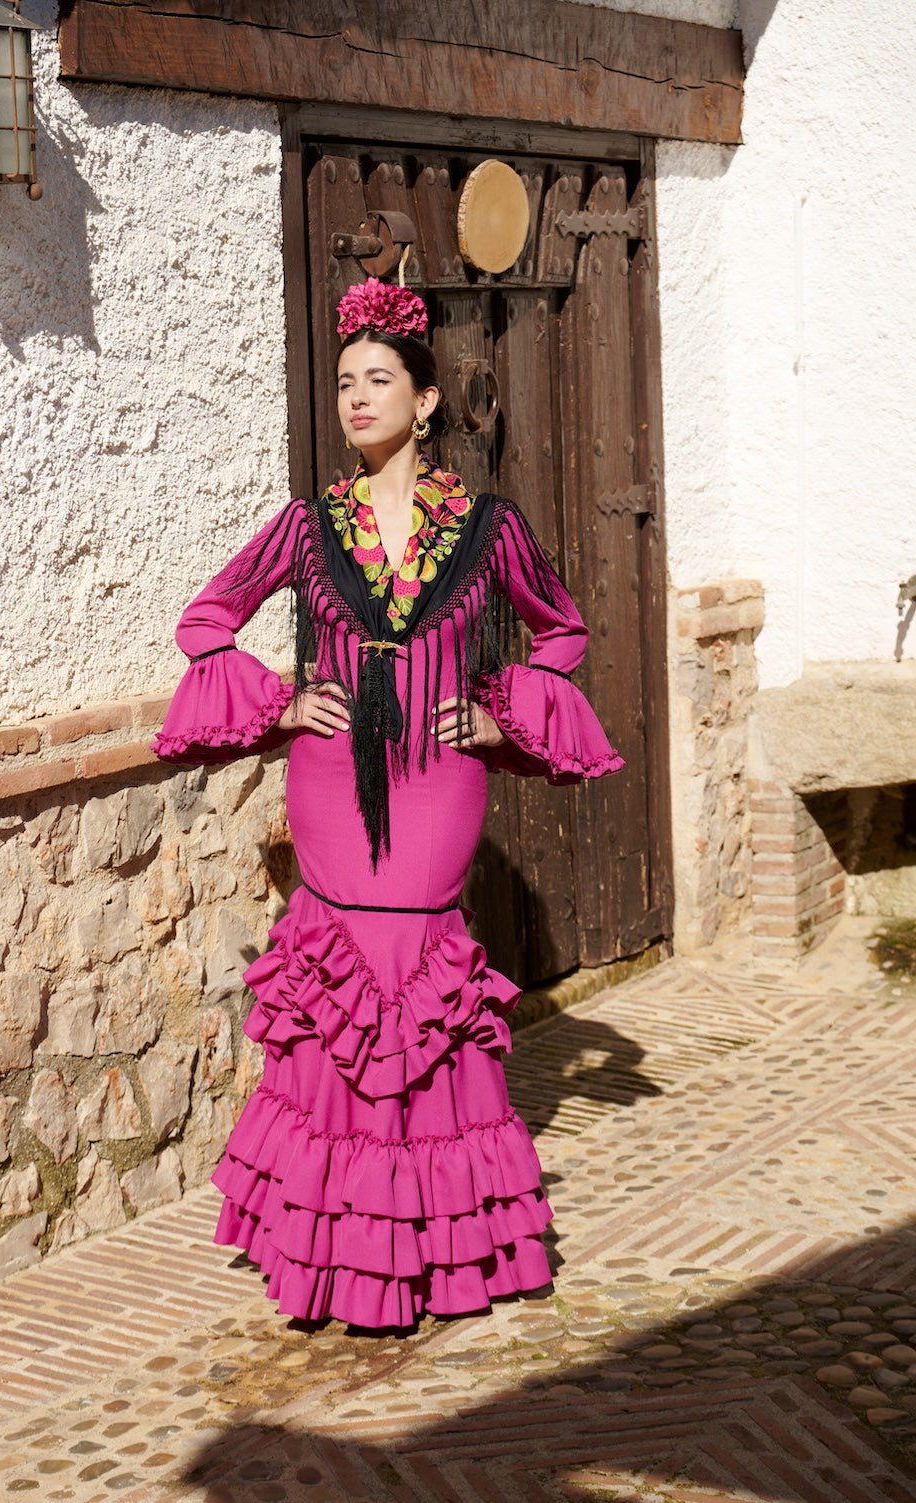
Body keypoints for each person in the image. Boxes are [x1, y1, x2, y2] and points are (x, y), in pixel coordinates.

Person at [152, 278, 623, 1329]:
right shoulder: (307, 524)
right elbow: (206, 620)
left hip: (440, 781)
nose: (356, 398)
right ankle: (331, 1248)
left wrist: (503, 719)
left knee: (419, 964)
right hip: (331, 781)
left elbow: (562, 631)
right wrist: (282, 705)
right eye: (343, 383)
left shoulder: (489, 528)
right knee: (338, 974)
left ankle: (434, 1245)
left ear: (425, 401)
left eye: (377, 380)